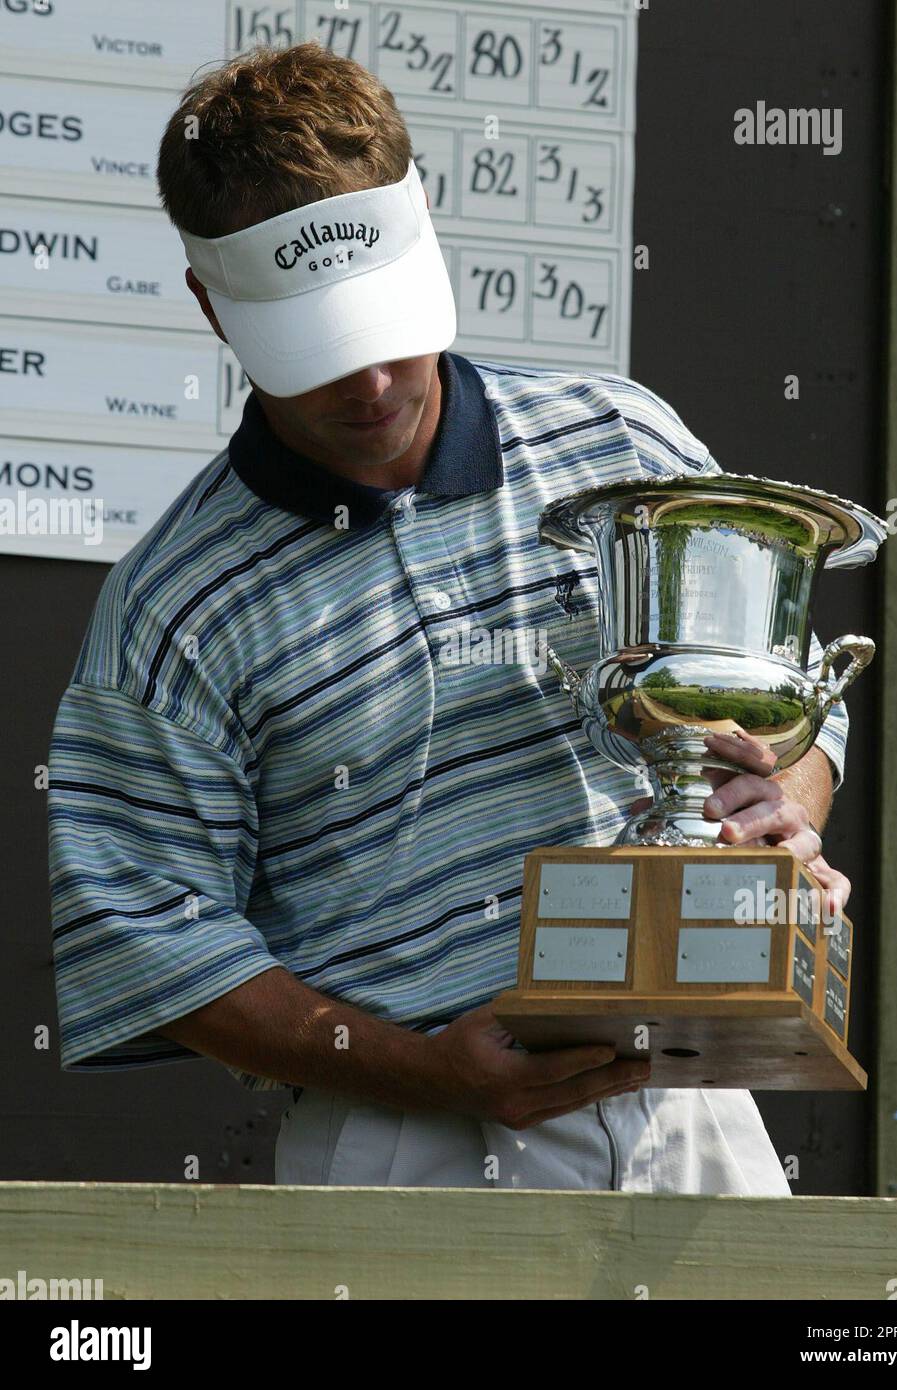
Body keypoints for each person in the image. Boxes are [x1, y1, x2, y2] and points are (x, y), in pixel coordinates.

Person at [47, 42, 851, 1194]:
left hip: (692, 1117)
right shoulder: (170, 608)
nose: (370, 385)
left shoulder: (622, 446)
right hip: (395, 1149)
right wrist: (422, 1070)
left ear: (427, 239)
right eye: (316, 350)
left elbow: (796, 705)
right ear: (210, 308)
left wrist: (777, 798)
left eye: (383, 324)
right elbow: (151, 942)